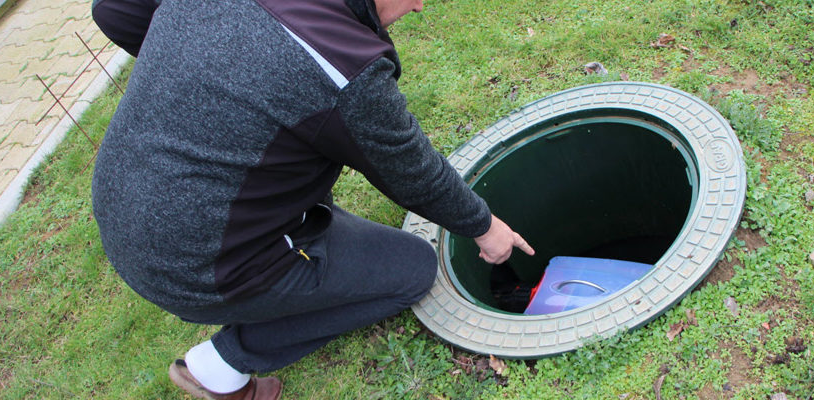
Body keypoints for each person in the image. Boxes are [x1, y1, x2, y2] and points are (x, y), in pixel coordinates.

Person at [90, 0, 535, 398]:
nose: (419, 7)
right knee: (412, 270)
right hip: (195, 259)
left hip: (120, 199)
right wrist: (485, 226)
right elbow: (410, 169)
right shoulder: (341, 65)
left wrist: (208, 74)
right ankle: (221, 364)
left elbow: (114, 10)